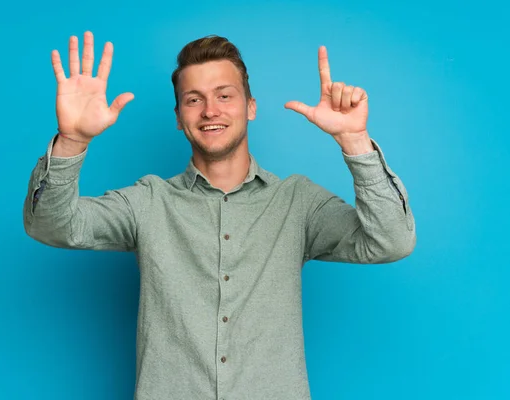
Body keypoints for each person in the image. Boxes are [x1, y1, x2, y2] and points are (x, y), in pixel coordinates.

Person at [23, 31, 416, 400]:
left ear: (250, 107)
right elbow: (52, 226)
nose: (210, 110)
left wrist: (355, 141)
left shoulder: (298, 202)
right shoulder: (148, 201)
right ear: (179, 117)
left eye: (224, 95)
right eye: (194, 99)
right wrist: (72, 141)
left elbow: (390, 241)